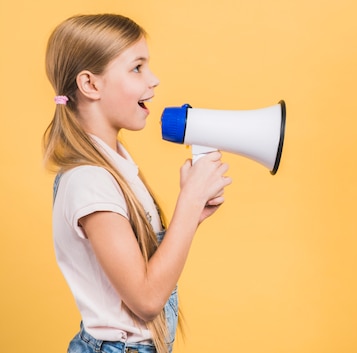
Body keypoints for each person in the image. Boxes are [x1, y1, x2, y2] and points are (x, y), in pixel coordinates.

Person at [43, 14, 232, 353]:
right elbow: (146, 300)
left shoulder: (116, 167)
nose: (154, 80)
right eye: (137, 68)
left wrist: (193, 214)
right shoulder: (89, 180)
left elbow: (145, 271)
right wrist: (188, 203)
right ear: (90, 85)